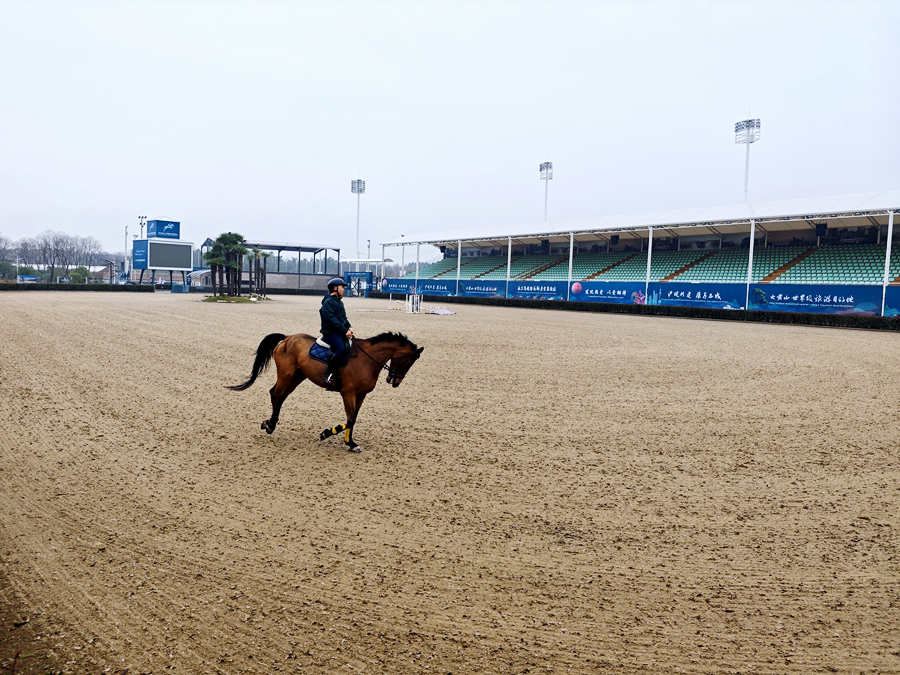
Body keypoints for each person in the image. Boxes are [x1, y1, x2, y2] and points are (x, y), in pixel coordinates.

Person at [320, 278, 353, 386]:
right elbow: (331, 318)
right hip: (330, 332)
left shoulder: (339, 302)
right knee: (341, 349)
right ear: (335, 288)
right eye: (342, 287)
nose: (344, 289)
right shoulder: (328, 302)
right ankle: (328, 375)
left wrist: (349, 327)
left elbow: (343, 318)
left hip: (339, 331)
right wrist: (344, 330)